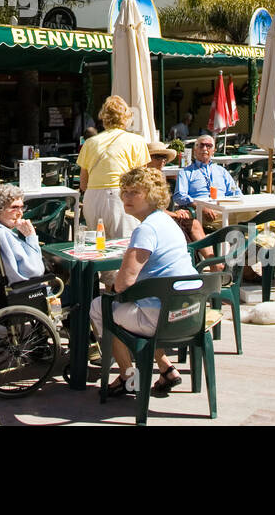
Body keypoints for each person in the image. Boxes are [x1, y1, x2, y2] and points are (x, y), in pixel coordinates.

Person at [90, 166, 200, 398]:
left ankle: (128, 375)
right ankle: (166, 368)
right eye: (125, 191)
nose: (126, 197)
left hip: (163, 316)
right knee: (133, 308)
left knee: (101, 307)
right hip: (189, 311)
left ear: (151, 195)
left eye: (134, 192)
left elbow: (122, 285)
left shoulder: (146, 230)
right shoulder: (168, 222)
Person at [77, 95, 151, 238]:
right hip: (121, 196)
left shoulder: (90, 143)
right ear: (127, 117)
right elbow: (143, 179)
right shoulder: (136, 141)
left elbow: (83, 183)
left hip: (93, 198)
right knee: (123, 248)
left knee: (98, 248)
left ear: (103, 117)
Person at [0, 184, 44, 283]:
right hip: (16, 293)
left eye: (22, 208)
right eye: (14, 207)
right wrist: (31, 236)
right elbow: (34, 271)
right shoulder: (2, 234)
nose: (20, 213)